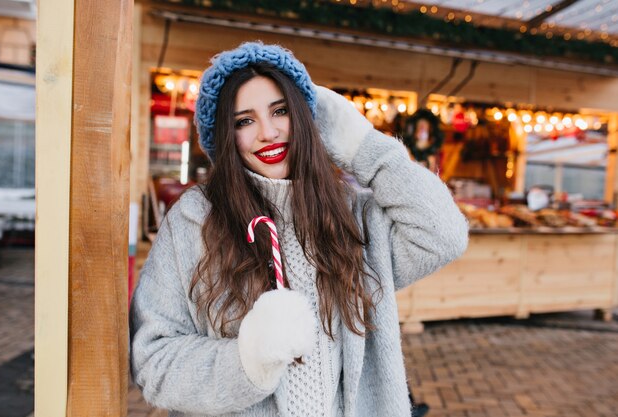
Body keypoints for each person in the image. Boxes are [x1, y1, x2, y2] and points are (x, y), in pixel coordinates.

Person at [130, 41, 468, 417]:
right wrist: (247, 361)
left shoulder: (348, 215)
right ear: (225, 135)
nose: (268, 132)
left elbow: (443, 235)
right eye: (244, 120)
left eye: (281, 111)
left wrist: (364, 148)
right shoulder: (195, 220)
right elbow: (153, 361)